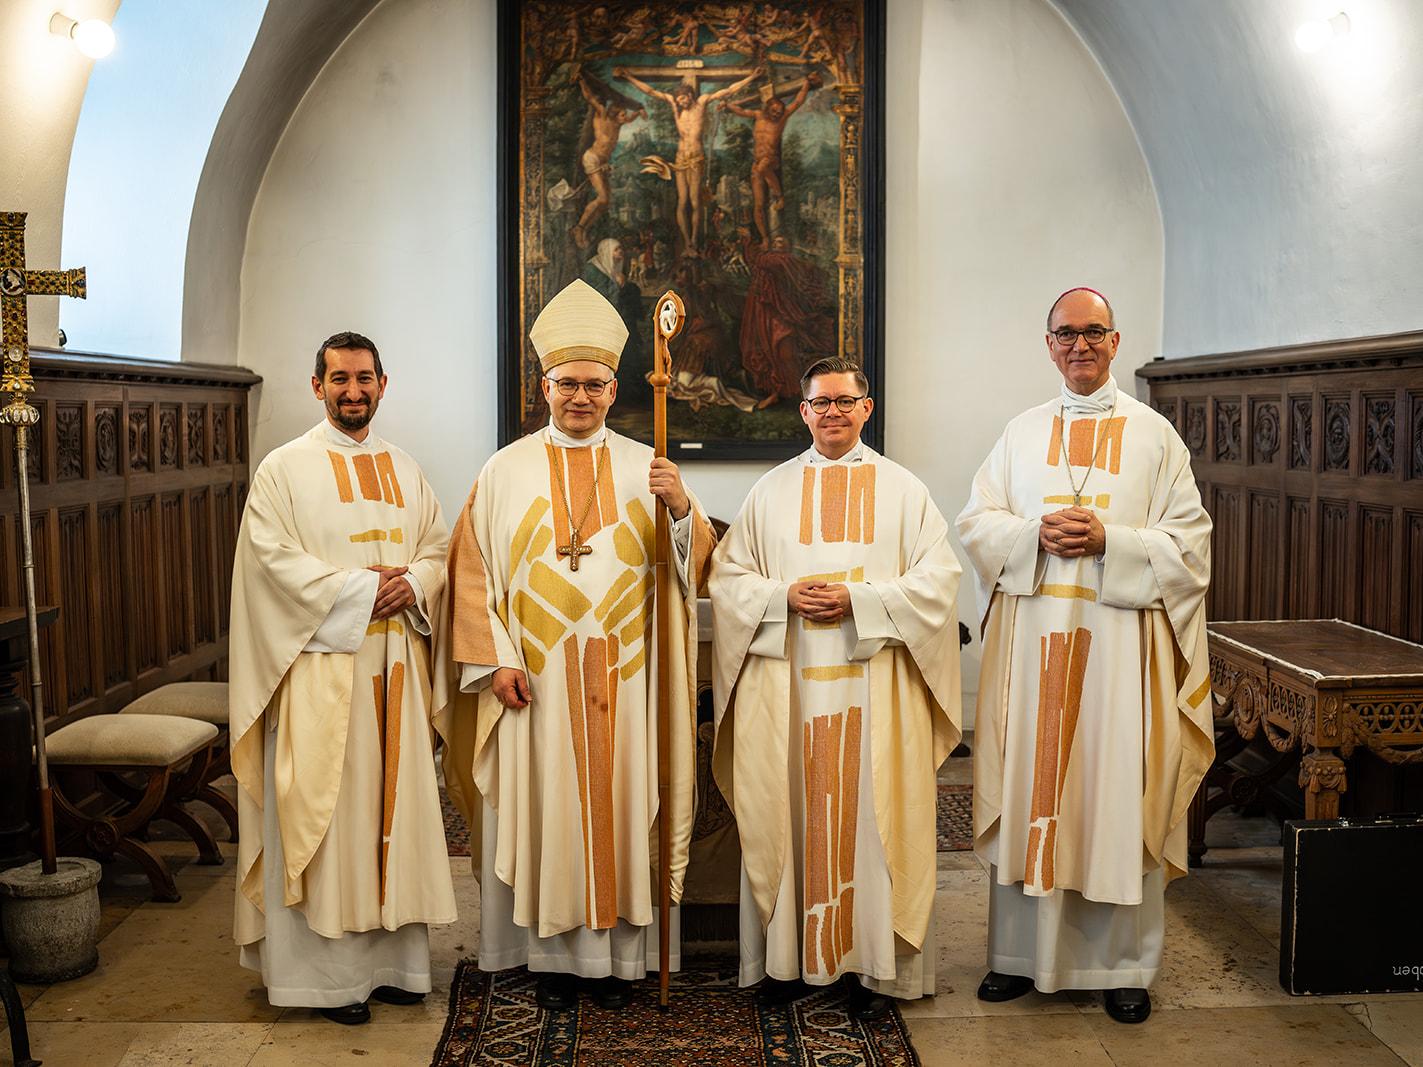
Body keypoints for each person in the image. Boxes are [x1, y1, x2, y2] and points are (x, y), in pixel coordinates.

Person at [437, 279, 716, 1011]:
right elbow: (471, 575)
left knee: (626, 809)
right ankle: (551, 961)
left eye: (594, 384)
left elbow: (701, 567)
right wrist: (495, 657)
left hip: (628, 679)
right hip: (534, 680)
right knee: (547, 812)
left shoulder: (646, 465)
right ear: (544, 385)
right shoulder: (503, 469)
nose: (581, 397)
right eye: (567, 384)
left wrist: (682, 508)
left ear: (615, 387)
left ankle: (621, 963)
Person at [955, 288, 1214, 1024]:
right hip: (1035, 644)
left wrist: (1113, 542)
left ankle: (1122, 966)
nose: (1078, 345)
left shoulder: (1154, 436)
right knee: (1034, 791)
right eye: (1065, 333)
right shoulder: (1020, 432)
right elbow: (976, 521)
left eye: (1092, 332)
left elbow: (1189, 547)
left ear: (1114, 339)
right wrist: (1032, 534)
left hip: (1117, 657)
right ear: (1047, 343)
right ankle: (1014, 958)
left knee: (1111, 794)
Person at [709, 357, 962, 1020]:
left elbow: (939, 583)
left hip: (875, 693)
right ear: (802, 411)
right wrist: (781, 594)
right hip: (787, 692)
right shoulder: (768, 492)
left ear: (866, 408)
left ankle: (872, 968)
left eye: (845, 402)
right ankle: (786, 965)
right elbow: (728, 581)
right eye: (820, 403)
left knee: (870, 825)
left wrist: (859, 599)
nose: (832, 413)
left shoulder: (904, 491)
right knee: (788, 814)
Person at [230, 332, 455, 1025]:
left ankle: (396, 967)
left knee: (392, 817)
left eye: (364, 378)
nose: (352, 391)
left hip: (395, 671)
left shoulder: (405, 467)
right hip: (320, 674)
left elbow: (438, 547)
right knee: (325, 820)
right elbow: (270, 563)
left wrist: (413, 583)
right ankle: (326, 982)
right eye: (339, 379)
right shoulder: (283, 469)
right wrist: (362, 590)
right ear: (316, 385)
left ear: (382, 384)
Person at [616, 68, 760, 252]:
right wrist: (629, 76)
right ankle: (687, 242)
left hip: (696, 159)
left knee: (694, 201)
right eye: (677, 100)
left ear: (689, 95)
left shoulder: (702, 102)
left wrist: (752, 77)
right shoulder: (676, 107)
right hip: (680, 158)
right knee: (682, 201)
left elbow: (729, 90)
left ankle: (694, 238)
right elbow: (650, 91)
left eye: (682, 98)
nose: (679, 102)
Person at [723, 76, 819, 247]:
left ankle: (779, 195)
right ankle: (765, 238)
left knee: (763, 165)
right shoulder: (758, 115)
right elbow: (740, 111)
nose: (777, 114)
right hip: (757, 164)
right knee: (758, 205)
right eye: (774, 111)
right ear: (768, 108)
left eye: (779, 112)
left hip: (771, 161)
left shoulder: (782, 119)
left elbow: (797, 102)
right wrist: (727, 105)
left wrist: (805, 84)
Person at [571, 70, 644, 250]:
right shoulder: (602, 115)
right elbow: (590, 98)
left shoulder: (619, 123)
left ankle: (584, 228)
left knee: (606, 202)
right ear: (615, 112)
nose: (625, 117)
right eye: (622, 114)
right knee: (603, 198)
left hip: (601, 162)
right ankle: (579, 228)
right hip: (592, 158)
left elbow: (632, 116)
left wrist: (640, 111)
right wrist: (581, 80)